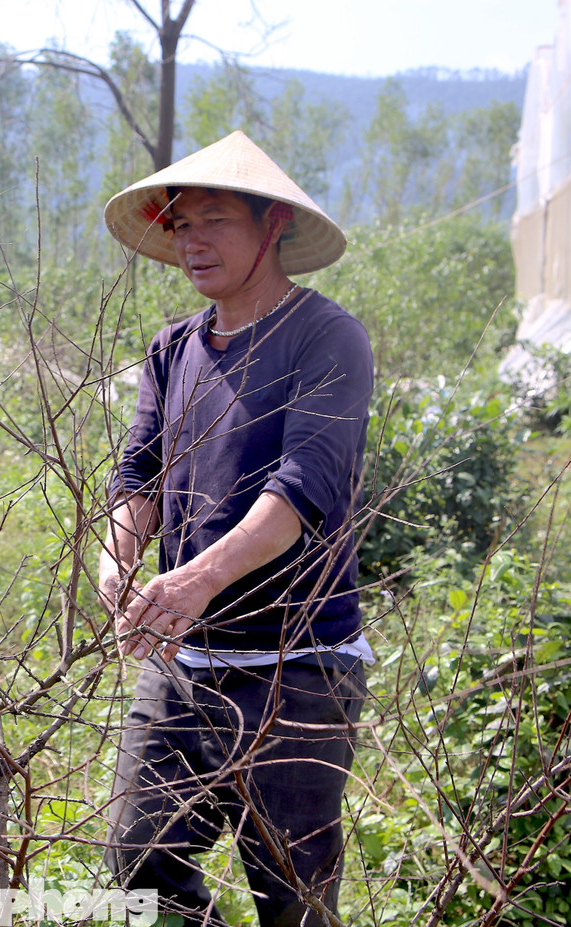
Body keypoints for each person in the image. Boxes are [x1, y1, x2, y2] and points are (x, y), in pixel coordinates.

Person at [98, 130, 373, 927]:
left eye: (214, 219)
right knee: (136, 868)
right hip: (185, 662)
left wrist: (189, 581)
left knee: (293, 894)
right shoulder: (172, 349)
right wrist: (117, 556)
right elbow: (139, 474)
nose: (193, 242)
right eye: (181, 225)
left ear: (273, 224)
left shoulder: (325, 337)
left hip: (299, 667)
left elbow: (300, 491)